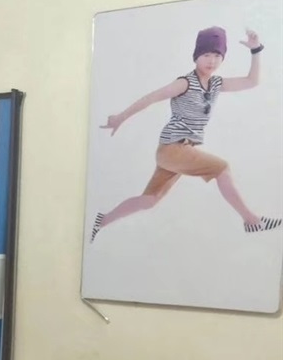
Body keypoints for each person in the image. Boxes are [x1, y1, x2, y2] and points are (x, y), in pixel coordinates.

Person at [91, 27, 281, 241]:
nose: (212, 61)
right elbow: (151, 97)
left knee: (150, 200)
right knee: (222, 168)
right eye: (206, 55)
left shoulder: (216, 84)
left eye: (217, 55)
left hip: (178, 150)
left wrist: (256, 50)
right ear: (196, 56)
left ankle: (102, 220)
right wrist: (120, 117)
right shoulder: (185, 83)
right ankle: (251, 220)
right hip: (173, 148)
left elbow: (252, 81)